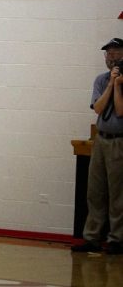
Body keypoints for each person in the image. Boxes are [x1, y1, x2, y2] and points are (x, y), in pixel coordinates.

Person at [72, 38, 123, 255]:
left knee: (117, 193)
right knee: (95, 191)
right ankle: (92, 237)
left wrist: (119, 87)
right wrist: (111, 84)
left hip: (119, 140)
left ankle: (117, 239)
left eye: (116, 53)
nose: (111, 58)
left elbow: (120, 111)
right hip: (101, 140)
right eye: (108, 54)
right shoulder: (101, 80)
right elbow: (99, 108)